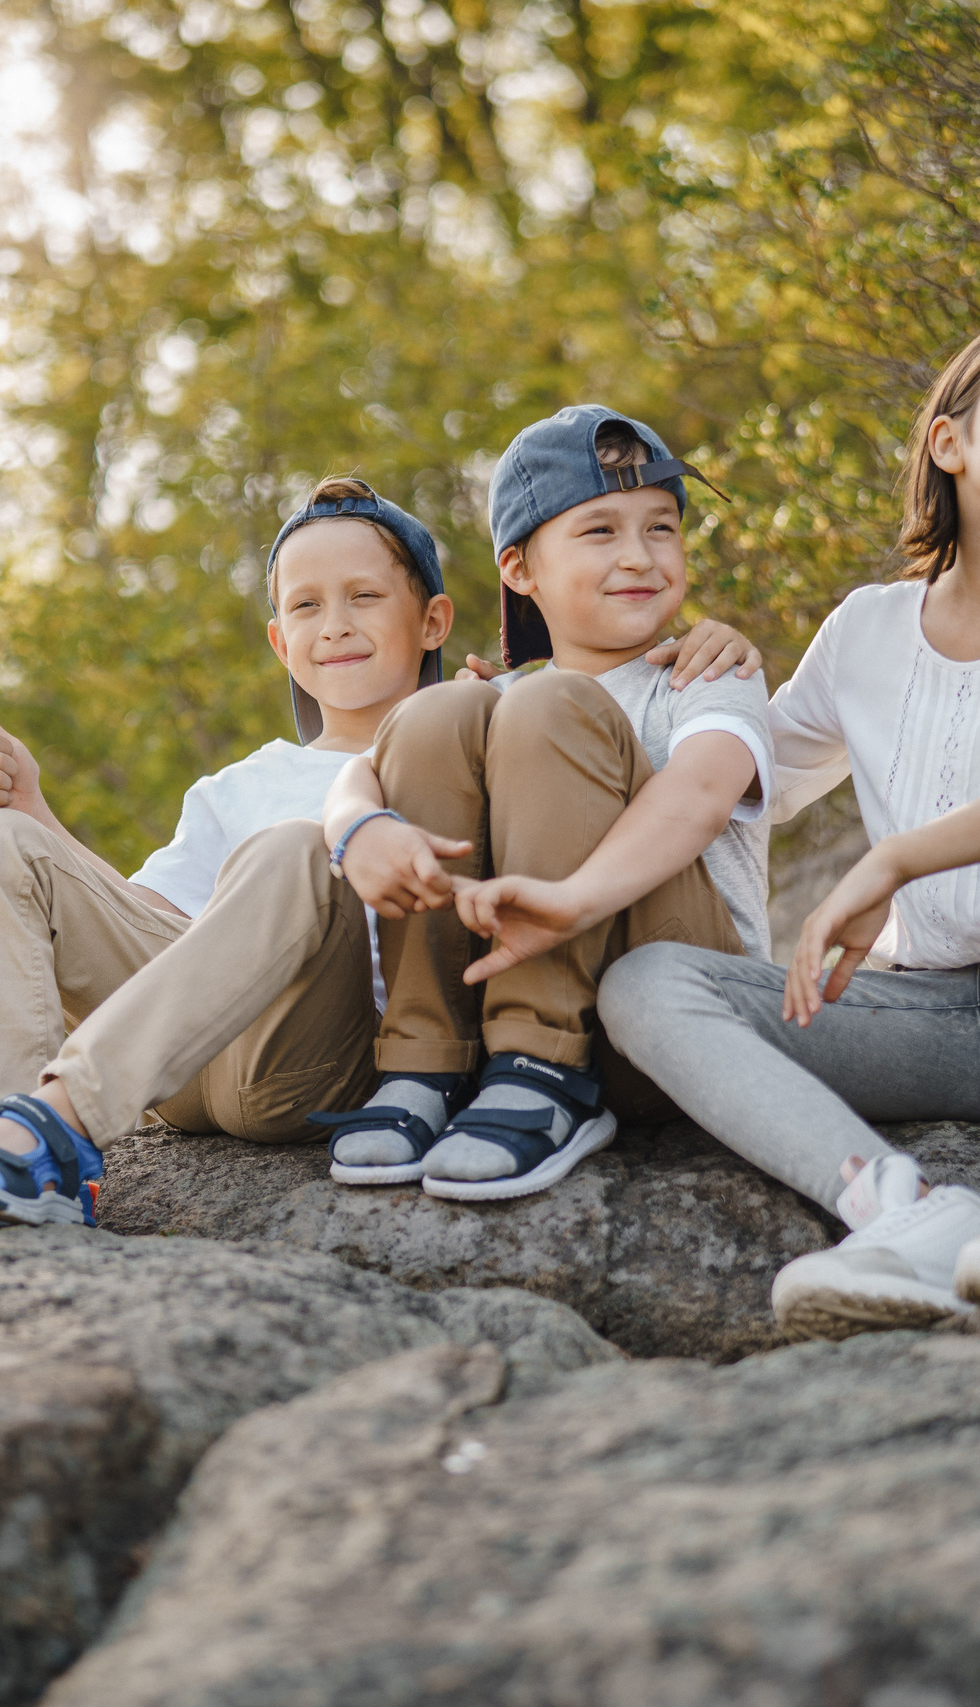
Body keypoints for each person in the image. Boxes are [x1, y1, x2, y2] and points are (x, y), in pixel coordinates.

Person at [0, 474, 760, 1227]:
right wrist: (37, 816)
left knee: (293, 851)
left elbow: (577, 720)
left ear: (434, 622)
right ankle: (18, 1158)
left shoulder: (476, 735)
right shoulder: (236, 783)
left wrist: (692, 642)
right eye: (308, 607)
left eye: (366, 597)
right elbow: (161, 935)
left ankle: (54, 1125)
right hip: (187, 1064)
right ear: (281, 641)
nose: (337, 625)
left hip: (317, 1057)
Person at [598, 302, 980, 1333]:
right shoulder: (868, 627)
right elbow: (752, 778)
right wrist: (570, 700)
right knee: (646, 986)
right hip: (927, 1024)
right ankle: (908, 1213)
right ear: (949, 441)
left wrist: (891, 864)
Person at [315, 405, 774, 1200]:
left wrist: (567, 903)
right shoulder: (495, 699)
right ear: (520, 569)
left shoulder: (706, 674)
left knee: (549, 704)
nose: (640, 556)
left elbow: (701, 793)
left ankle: (542, 1062)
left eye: (661, 528)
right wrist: (358, 828)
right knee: (434, 713)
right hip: (498, 1032)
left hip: (681, 1015)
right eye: (599, 531)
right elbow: (362, 772)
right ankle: (430, 1060)